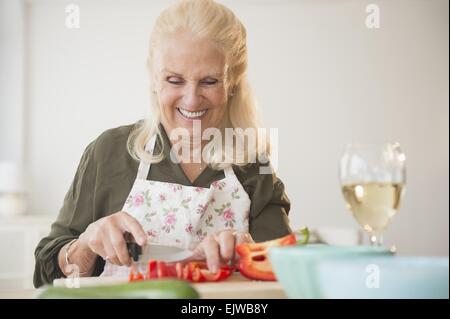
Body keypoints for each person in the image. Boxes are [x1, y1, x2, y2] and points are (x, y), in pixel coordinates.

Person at [33, 0, 291, 287]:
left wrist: (247, 251)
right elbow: (46, 275)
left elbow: (288, 275)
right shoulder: (108, 153)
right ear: (154, 78)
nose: (192, 99)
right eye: (174, 80)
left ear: (232, 83)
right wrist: (85, 245)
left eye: (209, 81)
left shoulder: (255, 164)